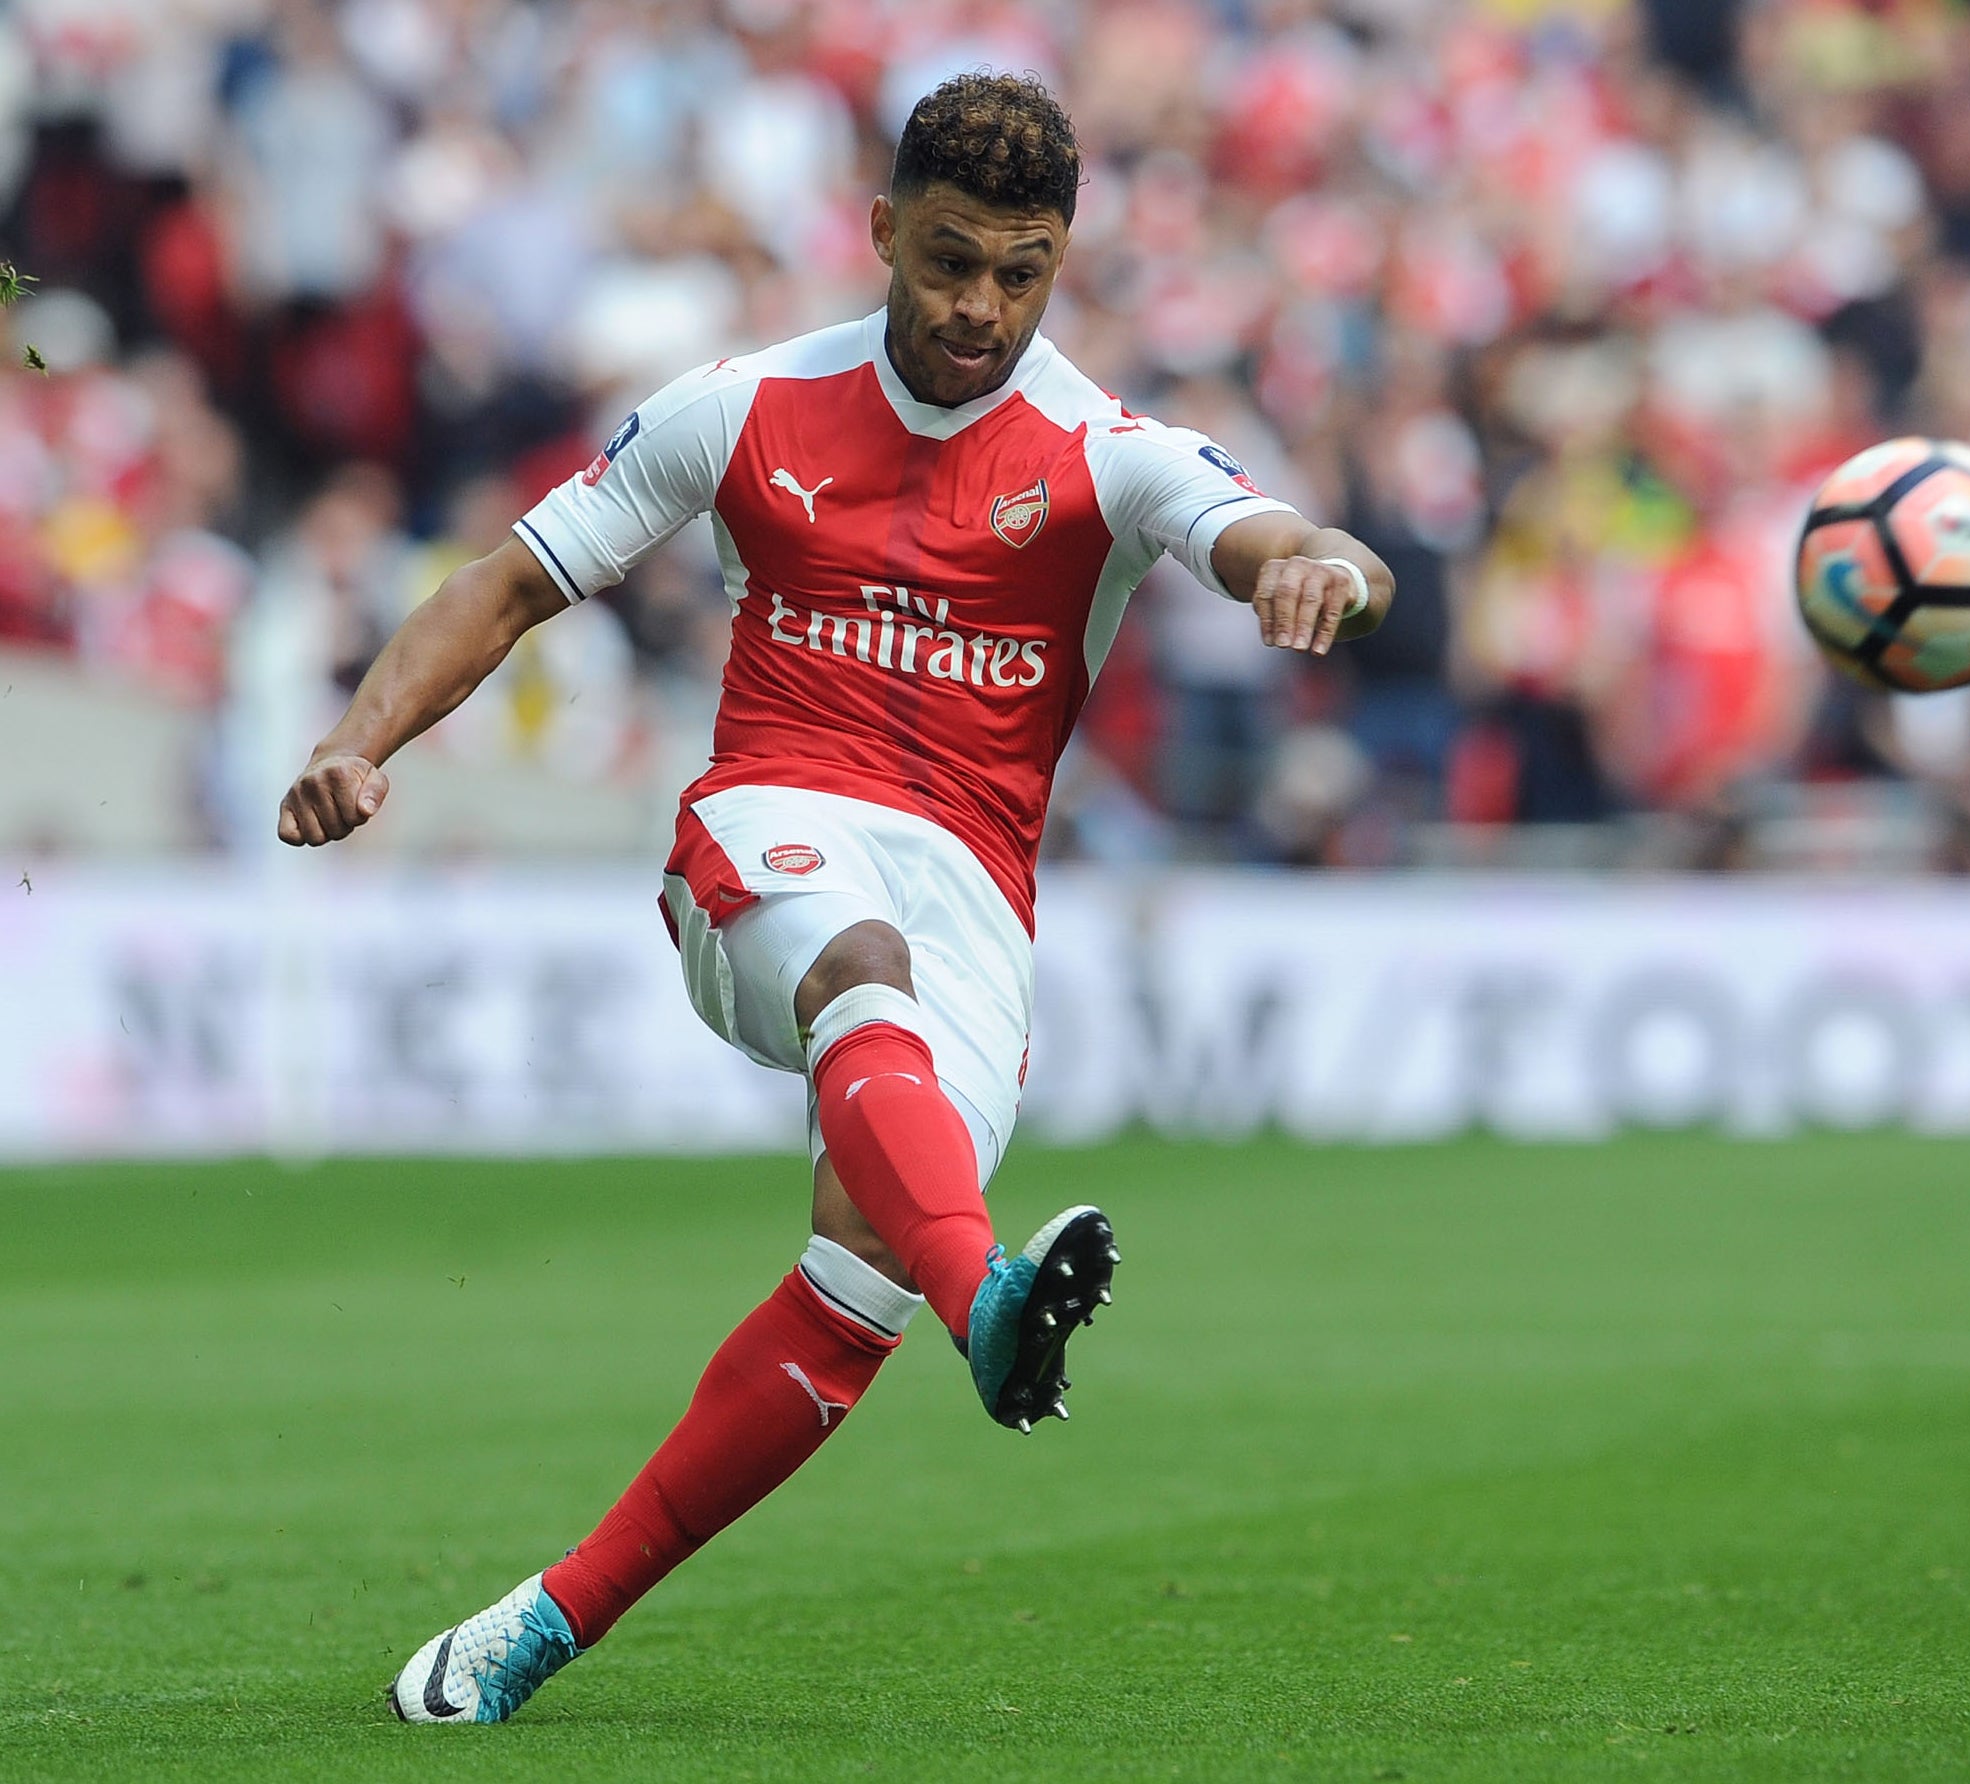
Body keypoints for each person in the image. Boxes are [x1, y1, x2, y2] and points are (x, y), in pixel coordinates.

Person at [273, 73, 1393, 1726]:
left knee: (852, 1290)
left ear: (1060, 263)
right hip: (775, 832)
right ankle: (994, 1303)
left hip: (978, 907)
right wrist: (361, 744)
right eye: (946, 261)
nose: (977, 307)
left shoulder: (1105, 452)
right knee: (854, 969)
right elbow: (513, 580)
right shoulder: (743, 405)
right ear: (878, 231)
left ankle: (541, 1622)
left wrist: (1329, 573)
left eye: (1019, 273)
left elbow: (1283, 534)